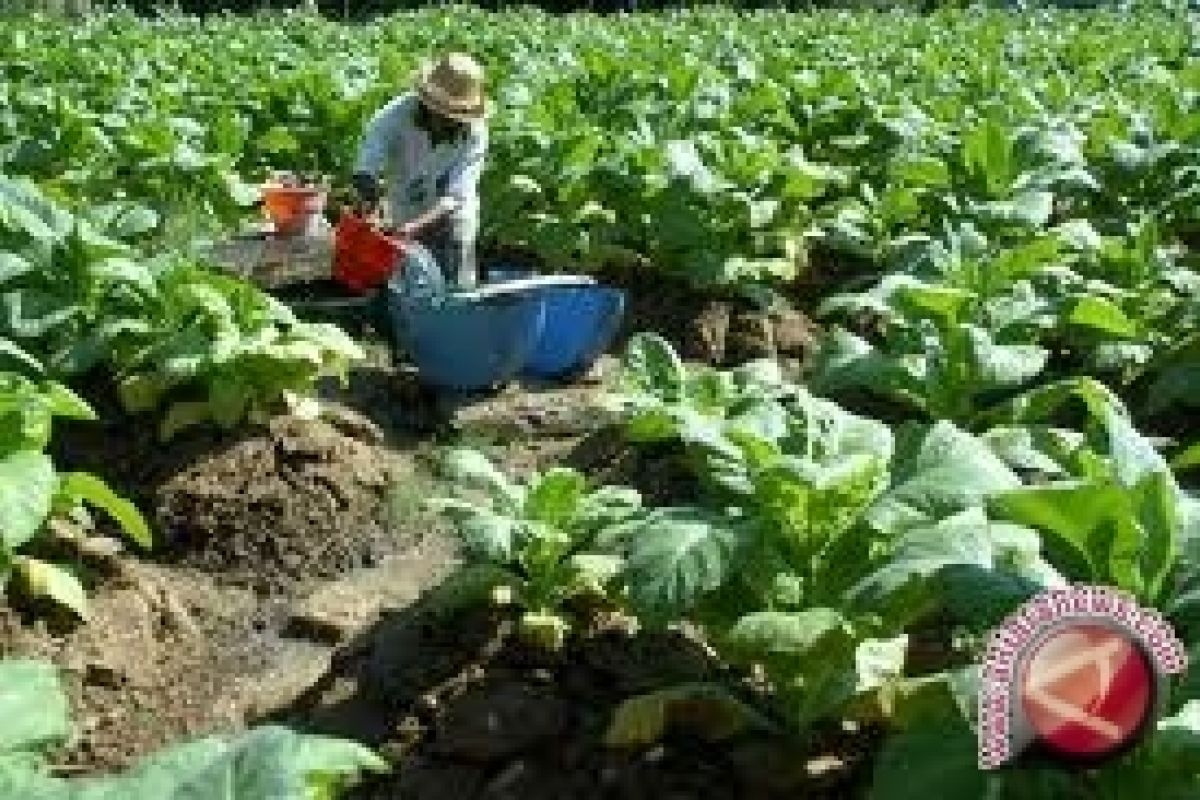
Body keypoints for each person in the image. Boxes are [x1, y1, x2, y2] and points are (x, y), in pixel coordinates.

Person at [352, 53, 489, 290]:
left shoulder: (474, 133)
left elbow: (456, 197)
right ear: (428, 105)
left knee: (457, 284)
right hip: (404, 208)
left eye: (457, 117)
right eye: (444, 115)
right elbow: (365, 169)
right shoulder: (393, 117)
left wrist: (412, 228)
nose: (450, 124)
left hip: (454, 217)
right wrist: (375, 204)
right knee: (408, 285)